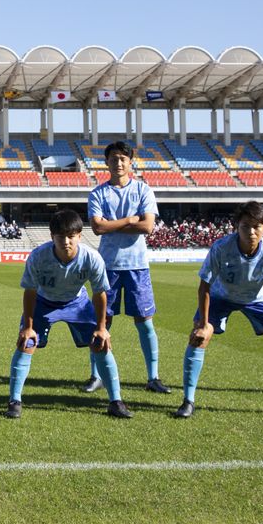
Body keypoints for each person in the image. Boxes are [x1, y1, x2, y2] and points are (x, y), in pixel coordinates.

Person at [174, 201, 263, 419]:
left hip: (255, 299)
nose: (250, 231)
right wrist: (203, 324)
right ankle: (188, 401)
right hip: (221, 297)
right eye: (245, 226)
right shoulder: (222, 247)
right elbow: (205, 287)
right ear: (236, 227)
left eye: (256, 226)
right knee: (198, 338)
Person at [5, 209, 132, 419]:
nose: (66, 241)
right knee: (26, 343)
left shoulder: (92, 258)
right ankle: (14, 400)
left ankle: (115, 401)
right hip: (44, 303)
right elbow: (30, 291)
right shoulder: (38, 257)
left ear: (80, 236)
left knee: (101, 343)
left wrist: (101, 328)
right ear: (51, 236)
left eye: (71, 236)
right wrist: (27, 327)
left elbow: (100, 293)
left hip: (77, 303)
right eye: (61, 236)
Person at [86, 141, 170, 394]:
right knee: (102, 323)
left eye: (123, 158)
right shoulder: (98, 193)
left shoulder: (144, 190)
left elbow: (147, 227)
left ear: (130, 162)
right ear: (106, 162)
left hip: (137, 266)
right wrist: (130, 219)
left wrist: (115, 224)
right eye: (114, 158)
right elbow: (97, 228)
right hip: (108, 266)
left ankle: (153, 377)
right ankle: (96, 375)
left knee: (145, 322)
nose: (118, 162)